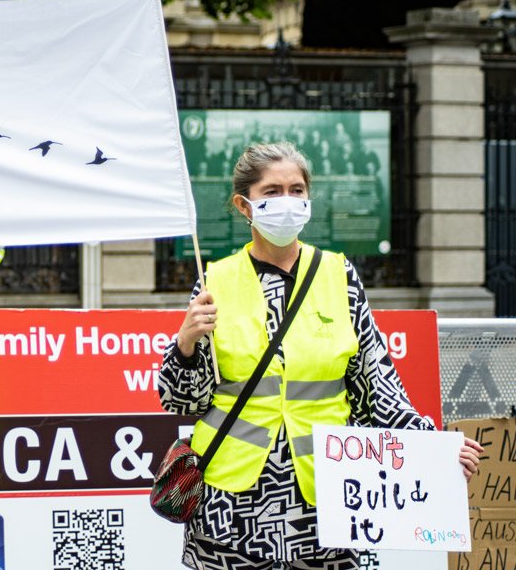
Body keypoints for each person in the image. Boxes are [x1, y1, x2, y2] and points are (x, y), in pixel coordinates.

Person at [157, 142, 482, 570]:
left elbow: (376, 383)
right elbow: (181, 401)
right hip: (230, 504)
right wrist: (185, 343)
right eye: (272, 192)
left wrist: (433, 446)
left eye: (296, 190)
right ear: (244, 204)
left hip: (330, 496)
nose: (286, 202)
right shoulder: (215, 279)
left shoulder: (338, 274)